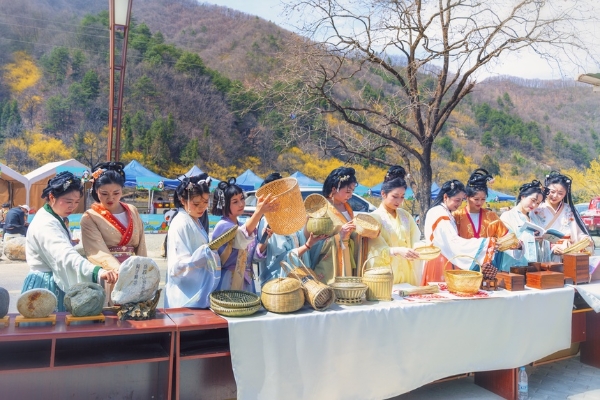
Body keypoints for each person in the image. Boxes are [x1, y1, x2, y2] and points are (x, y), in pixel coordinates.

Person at [22, 171, 118, 312]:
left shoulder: (53, 217)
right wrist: (96, 271)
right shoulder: (46, 224)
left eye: (76, 202)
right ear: (52, 197)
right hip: (46, 286)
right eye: (68, 201)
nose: (72, 206)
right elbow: (64, 255)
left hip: (50, 280)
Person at [80, 162, 147, 304]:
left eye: (116, 193)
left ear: (122, 191)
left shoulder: (132, 210)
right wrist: (121, 273)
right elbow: (97, 250)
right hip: (110, 274)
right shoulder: (90, 216)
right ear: (96, 191)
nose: (110, 198)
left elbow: (141, 244)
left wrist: (142, 269)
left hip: (133, 272)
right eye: (104, 194)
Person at [254, 173, 327, 286]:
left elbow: (299, 239)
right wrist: (307, 245)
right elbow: (280, 258)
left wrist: (308, 220)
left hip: (295, 276)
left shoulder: (288, 217)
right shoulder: (269, 221)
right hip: (280, 281)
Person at [421, 180, 497, 285]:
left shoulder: (446, 213)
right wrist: (486, 243)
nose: (459, 204)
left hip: (447, 258)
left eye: (462, 200)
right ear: (445, 197)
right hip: (440, 260)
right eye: (457, 200)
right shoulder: (439, 213)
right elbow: (453, 241)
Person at [211, 177, 278, 293]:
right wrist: (259, 212)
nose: (241, 204)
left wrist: (264, 239)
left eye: (242, 199)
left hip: (246, 280)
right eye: (235, 201)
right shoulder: (222, 225)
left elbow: (254, 256)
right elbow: (241, 238)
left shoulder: (241, 225)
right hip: (229, 280)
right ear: (225, 204)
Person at [165, 175, 221, 308]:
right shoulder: (181, 223)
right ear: (182, 200)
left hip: (195, 290)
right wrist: (205, 252)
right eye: (196, 204)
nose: (202, 207)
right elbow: (177, 266)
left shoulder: (194, 219)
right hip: (184, 294)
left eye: (206, 202)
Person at [366, 166, 421, 284]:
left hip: (407, 272)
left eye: (402, 197)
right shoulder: (374, 218)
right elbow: (373, 249)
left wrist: (422, 247)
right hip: (385, 274)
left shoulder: (406, 216)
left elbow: (414, 239)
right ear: (383, 194)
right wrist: (396, 250)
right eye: (395, 196)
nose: (399, 201)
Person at [311, 167, 360, 283]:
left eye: (352, 191)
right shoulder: (320, 208)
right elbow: (312, 240)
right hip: (328, 263)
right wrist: (339, 236)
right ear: (334, 189)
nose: (351, 195)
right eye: (348, 191)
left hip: (346, 255)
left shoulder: (347, 208)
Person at [531, 171, 593, 258]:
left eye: (560, 193)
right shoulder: (537, 208)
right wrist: (551, 247)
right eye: (552, 192)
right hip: (542, 252)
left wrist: (585, 240)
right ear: (545, 190)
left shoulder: (569, 210)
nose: (555, 196)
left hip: (566, 251)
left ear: (565, 194)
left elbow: (578, 233)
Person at [499, 180, 547, 270]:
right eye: (533, 200)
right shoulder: (507, 216)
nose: (534, 205)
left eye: (537, 203)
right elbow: (504, 242)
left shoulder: (535, 218)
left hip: (533, 265)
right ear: (523, 196)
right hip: (513, 265)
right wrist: (529, 238)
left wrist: (541, 240)